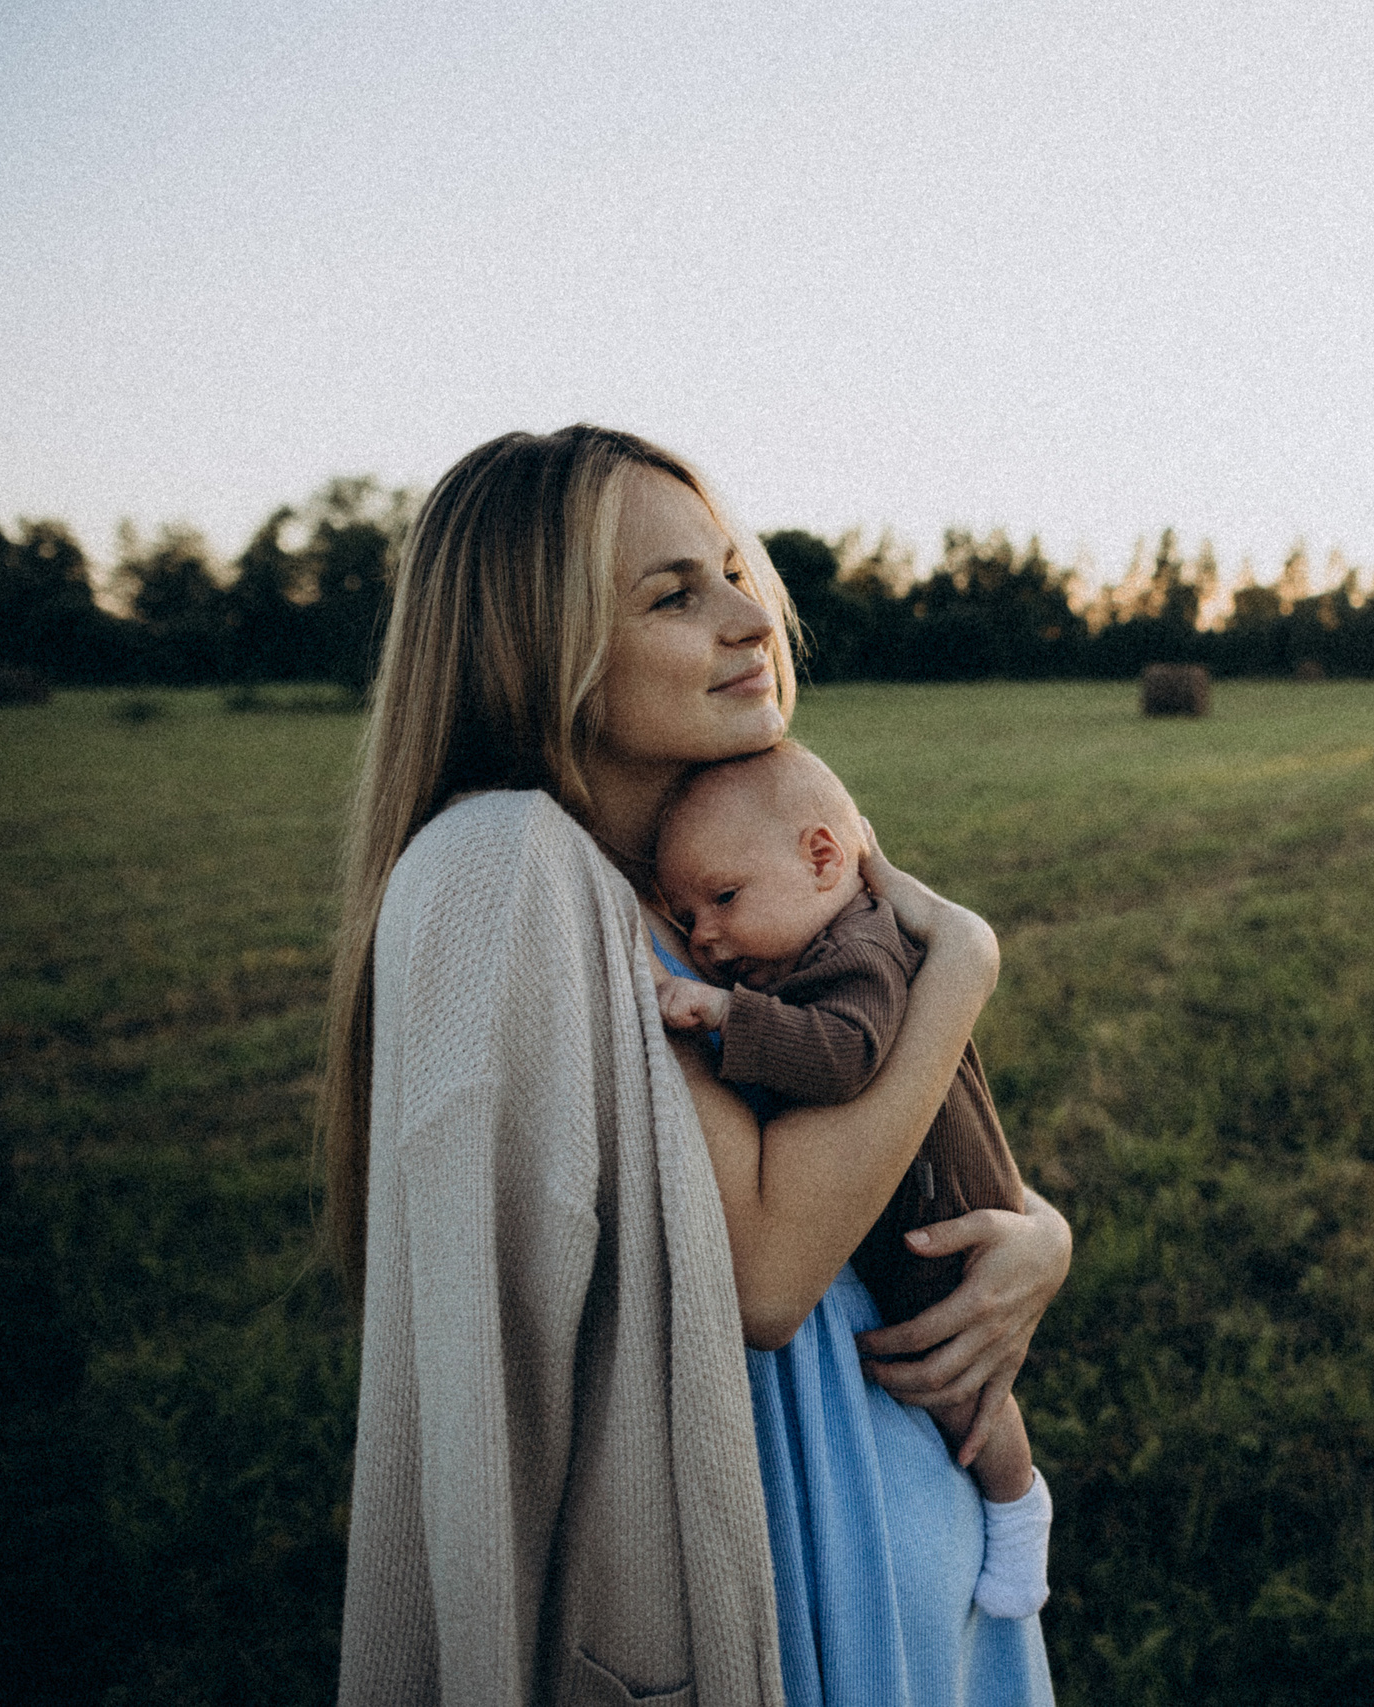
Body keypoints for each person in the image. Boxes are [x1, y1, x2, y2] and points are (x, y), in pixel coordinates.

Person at [326, 425, 1067, 1705]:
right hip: (778, 1555)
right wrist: (967, 964)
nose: (751, 615)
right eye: (675, 594)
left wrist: (1039, 1231)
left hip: (903, 1509)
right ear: (530, 650)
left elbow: (911, 1118)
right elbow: (772, 1274)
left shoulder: (715, 884)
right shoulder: (512, 872)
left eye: (735, 571)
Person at [649, 741, 1052, 1620]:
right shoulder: (816, 938)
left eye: (723, 901)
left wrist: (720, 1014)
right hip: (916, 1212)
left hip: (936, 1232)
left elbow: (842, 1056)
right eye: (685, 917)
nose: (706, 939)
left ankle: (1021, 1509)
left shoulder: (859, 950)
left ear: (825, 858)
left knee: (969, 1401)